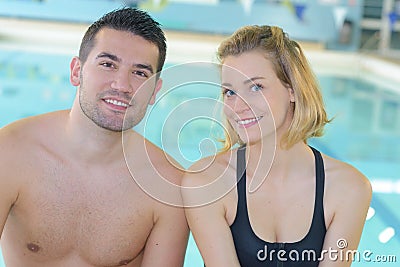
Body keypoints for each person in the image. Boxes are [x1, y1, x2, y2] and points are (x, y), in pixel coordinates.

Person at [0, 7, 188, 267]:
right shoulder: (10, 151)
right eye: (108, 64)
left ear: (155, 90)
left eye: (140, 73)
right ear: (76, 71)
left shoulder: (168, 184)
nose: (122, 85)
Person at [183, 25, 372, 266]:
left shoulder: (349, 188)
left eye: (256, 87)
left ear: (292, 90)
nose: (238, 106)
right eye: (229, 92)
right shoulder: (206, 182)